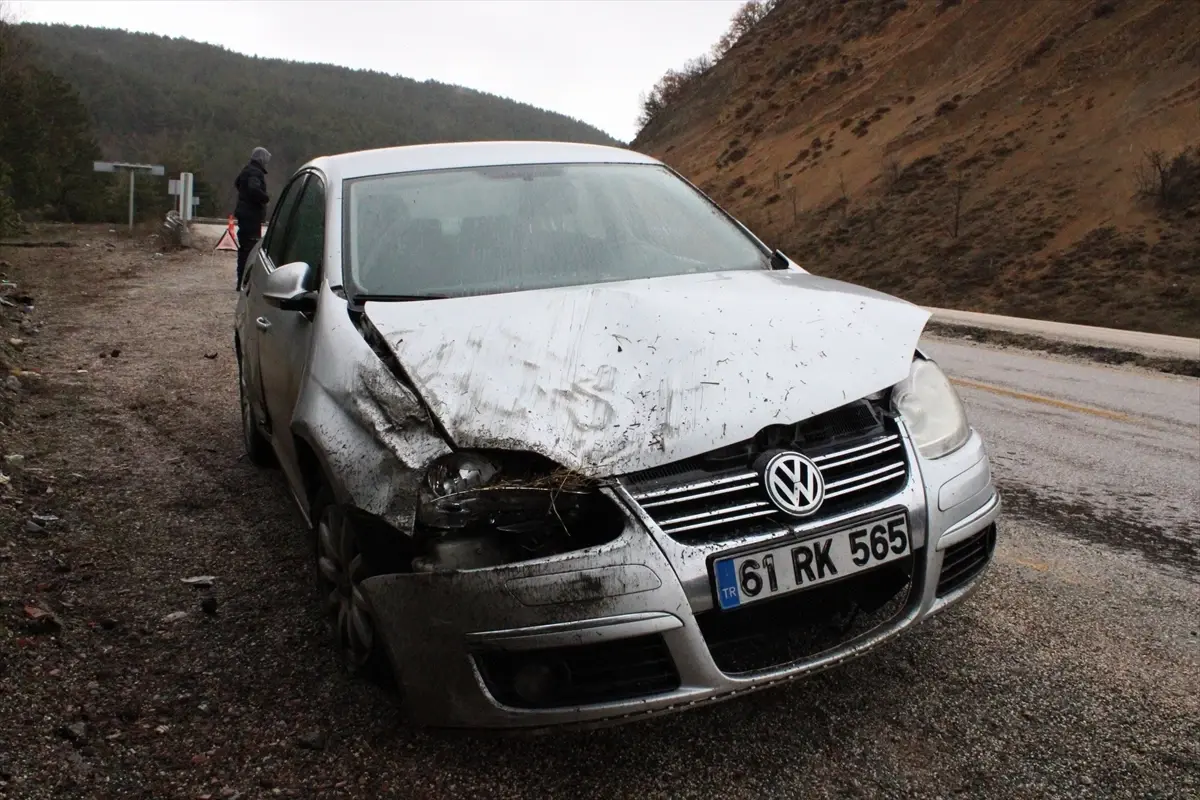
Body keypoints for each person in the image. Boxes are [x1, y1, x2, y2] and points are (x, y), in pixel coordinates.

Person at [233, 146, 271, 288]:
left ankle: (241, 280)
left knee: (245, 248)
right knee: (249, 249)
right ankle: (244, 281)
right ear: (261, 159)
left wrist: (243, 197)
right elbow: (254, 189)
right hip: (251, 216)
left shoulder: (247, 170)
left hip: (245, 214)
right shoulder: (255, 172)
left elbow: (237, 183)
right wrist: (264, 198)